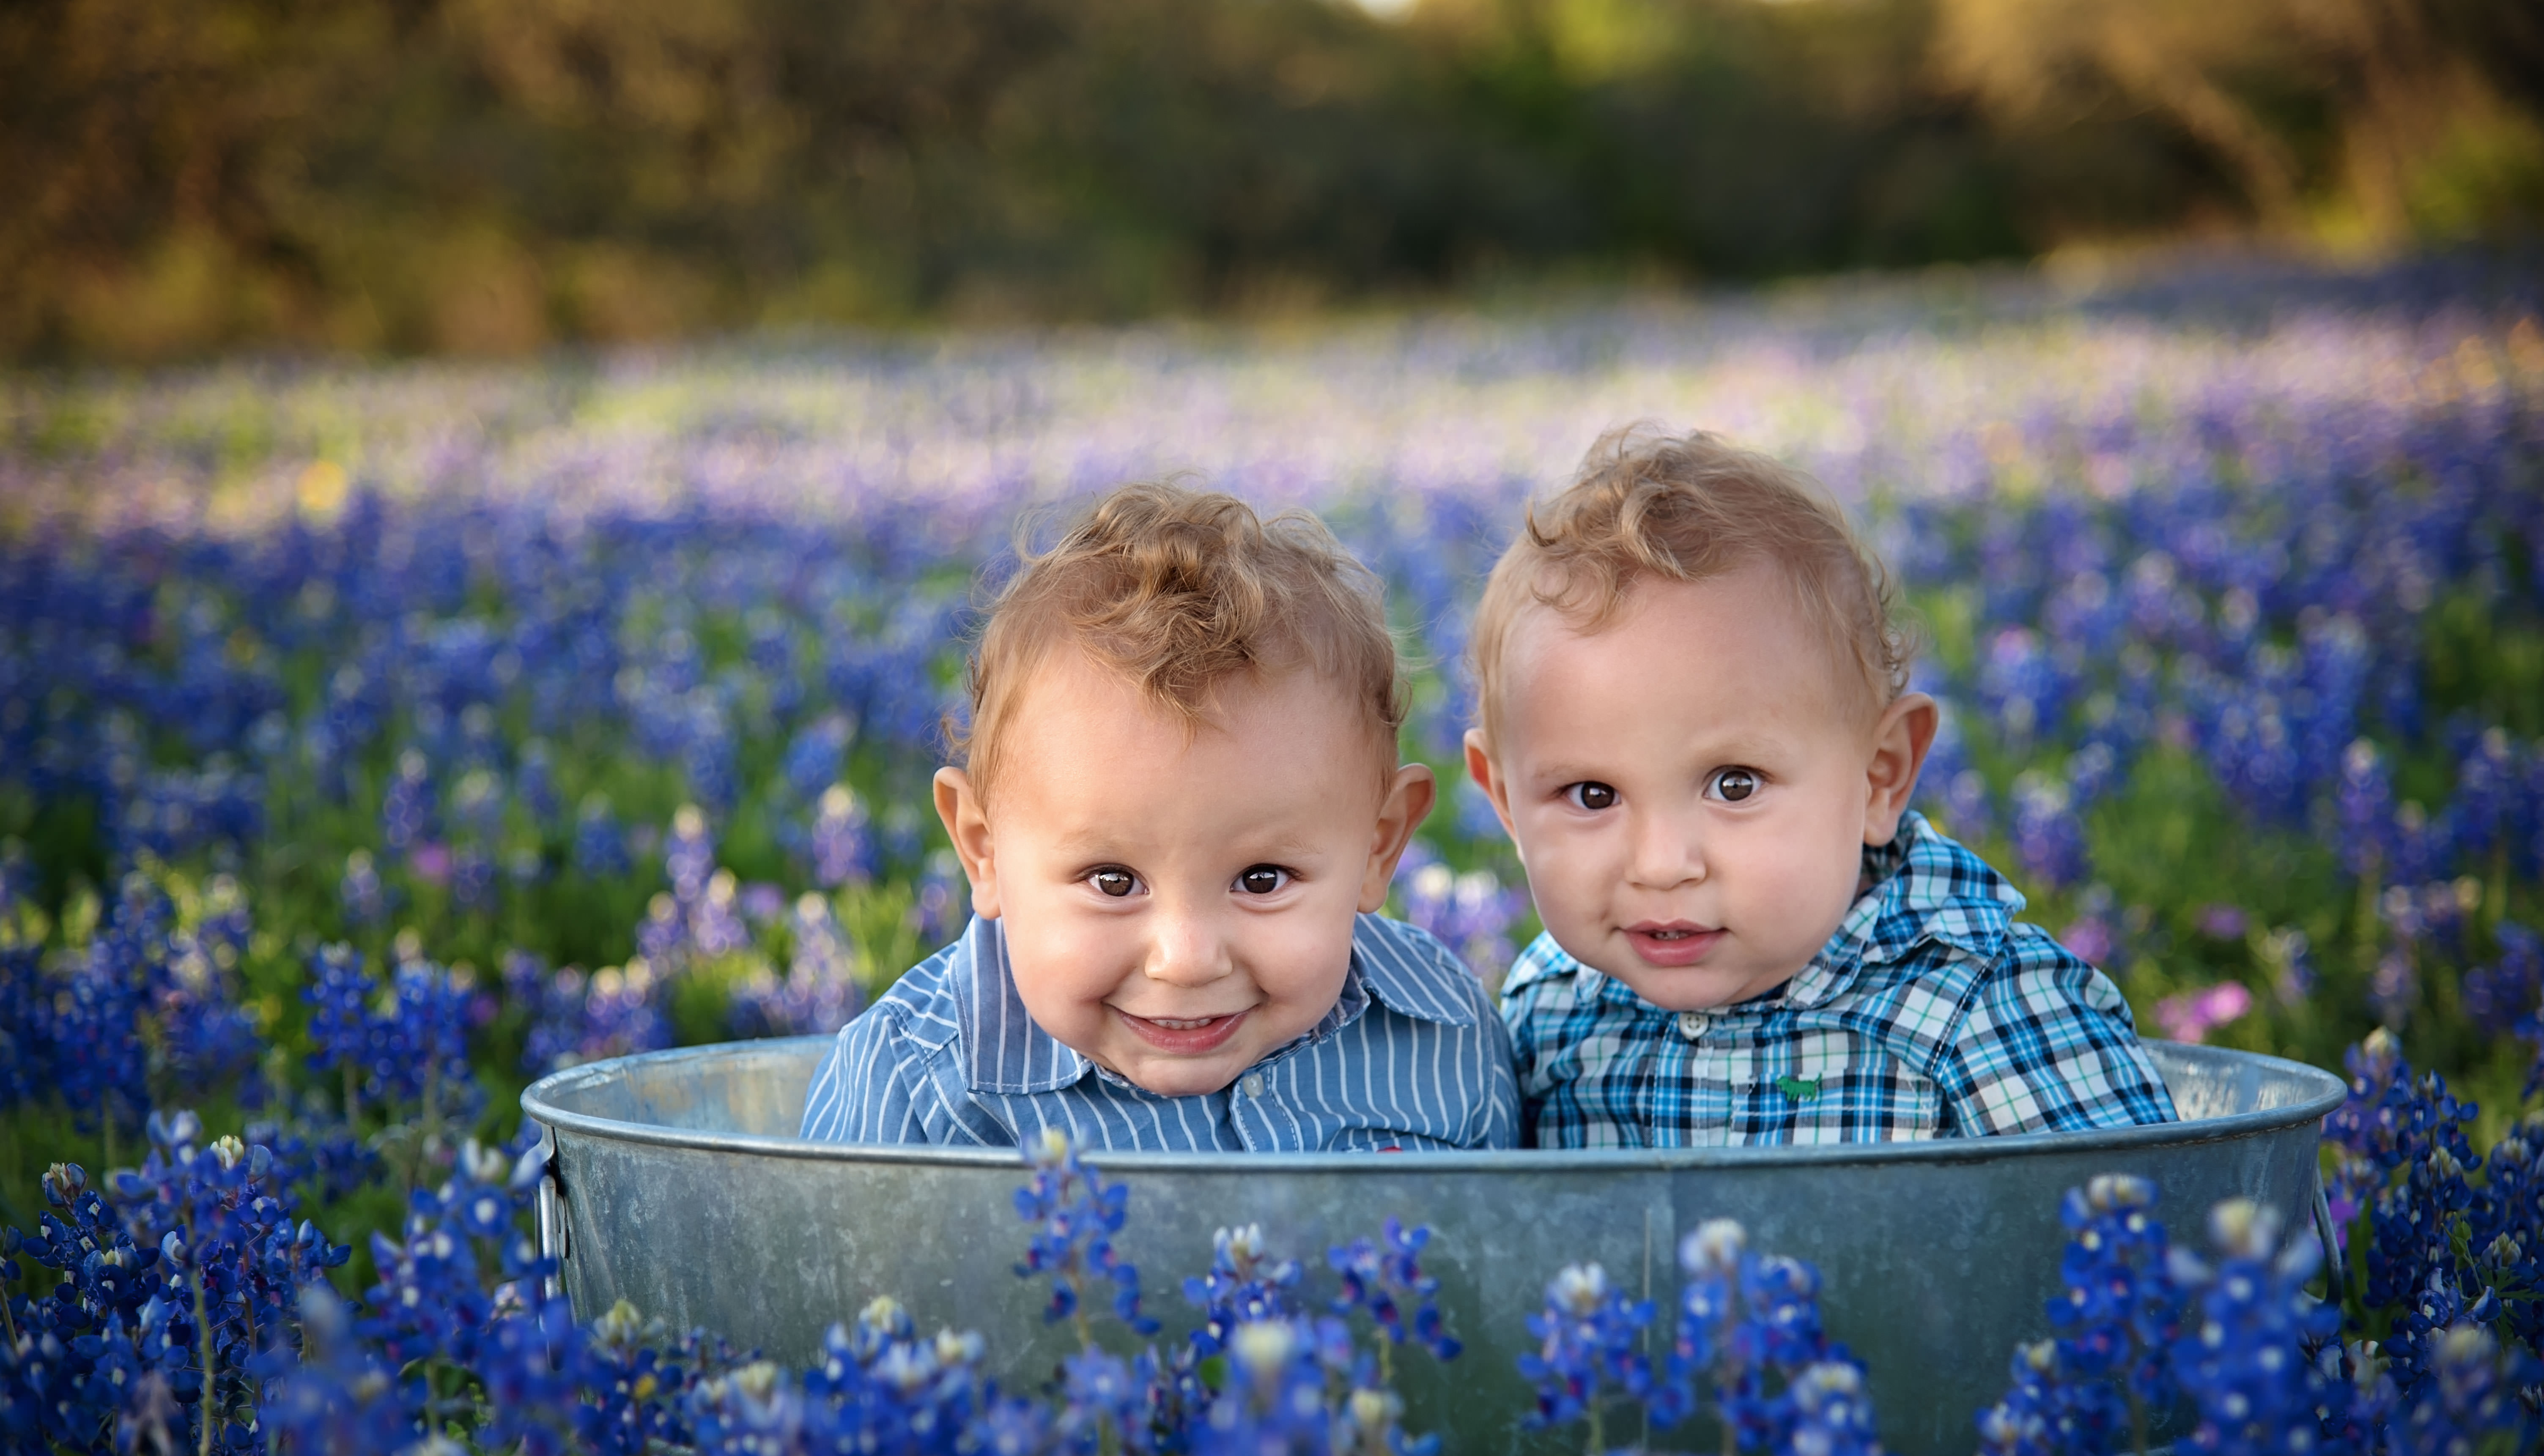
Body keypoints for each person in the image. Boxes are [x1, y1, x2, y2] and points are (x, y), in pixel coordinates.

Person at [1462, 427, 2177, 1148]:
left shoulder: (1984, 1013)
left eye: (1734, 785)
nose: (1661, 864)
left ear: (1880, 776)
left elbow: (2137, 1229)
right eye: (1592, 795)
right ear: (1505, 804)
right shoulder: (1546, 1011)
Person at [799, 483, 1519, 1151]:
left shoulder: (1446, 1036)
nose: (1186, 959)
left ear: (1379, 847)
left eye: (1262, 879)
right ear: (983, 851)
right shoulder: (911, 1089)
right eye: (1112, 881)